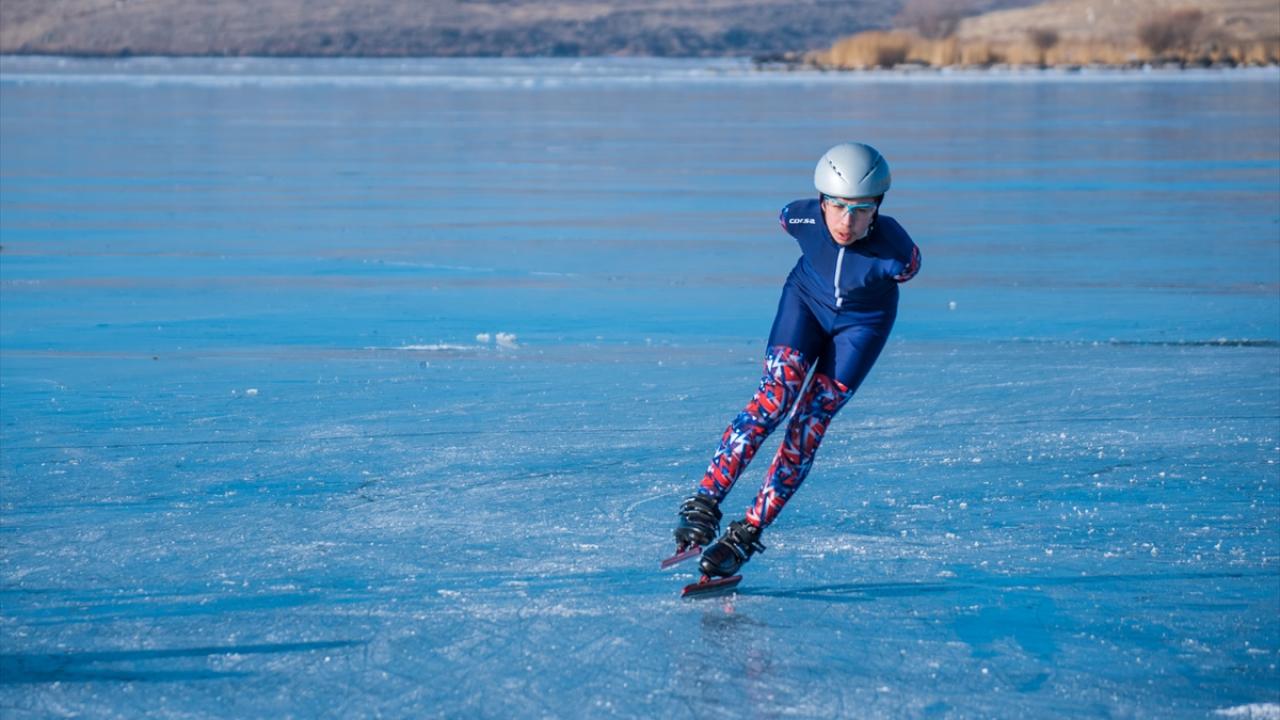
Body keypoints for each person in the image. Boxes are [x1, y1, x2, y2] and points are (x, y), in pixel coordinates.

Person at [674, 142, 921, 579]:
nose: (848, 221)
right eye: (839, 206)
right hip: (805, 304)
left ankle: (747, 532)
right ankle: (706, 499)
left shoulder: (897, 253)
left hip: (862, 325)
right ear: (822, 202)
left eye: (862, 210)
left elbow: (908, 269)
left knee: (810, 422)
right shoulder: (799, 217)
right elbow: (787, 215)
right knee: (775, 397)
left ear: (877, 208)